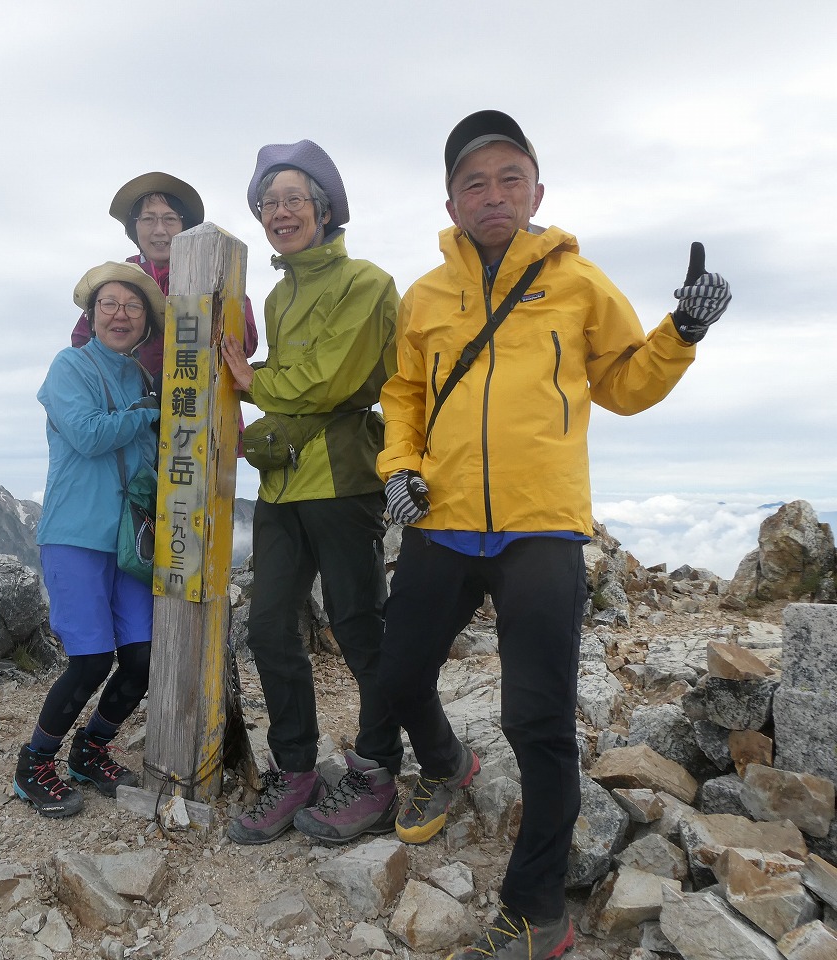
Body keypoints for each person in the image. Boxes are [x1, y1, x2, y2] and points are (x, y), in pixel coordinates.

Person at [377, 110, 731, 960]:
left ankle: (536, 908)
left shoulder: (579, 283)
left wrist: (682, 332)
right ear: (451, 203)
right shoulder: (426, 296)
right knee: (396, 677)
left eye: (510, 178)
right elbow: (404, 394)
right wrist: (399, 467)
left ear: (538, 191)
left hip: (543, 525)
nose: (493, 195)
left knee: (537, 720)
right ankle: (445, 763)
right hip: (442, 517)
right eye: (474, 183)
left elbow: (626, 385)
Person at [221, 140, 402, 846]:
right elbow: (293, 383)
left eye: (294, 199)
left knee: (359, 627)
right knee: (268, 627)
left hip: (344, 479)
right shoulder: (278, 293)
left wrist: (251, 380)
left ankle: (379, 771)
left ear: (325, 209)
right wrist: (260, 384)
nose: (281, 212)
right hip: (284, 482)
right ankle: (296, 768)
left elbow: (329, 381)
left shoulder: (367, 283)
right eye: (269, 203)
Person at [14, 262, 166, 818]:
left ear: (145, 322)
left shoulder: (140, 378)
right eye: (109, 304)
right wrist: (147, 413)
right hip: (76, 533)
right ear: (91, 314)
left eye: (133, 306)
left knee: (143, 656)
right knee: (91, 659)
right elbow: (88, 434)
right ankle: (34, 763)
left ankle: (91, 748)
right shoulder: (69, 366)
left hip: (130, 538)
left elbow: (146, 455)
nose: (120, 315)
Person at [71, 172, 259, 388]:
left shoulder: (214, 274)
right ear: (134, 227)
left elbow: (246, 343)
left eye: (170, 219)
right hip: (131, 403)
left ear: (184, 225)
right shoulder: (119, 279)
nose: (159, 230)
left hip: (200, 401)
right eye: (148, 219)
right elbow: (82, 344)